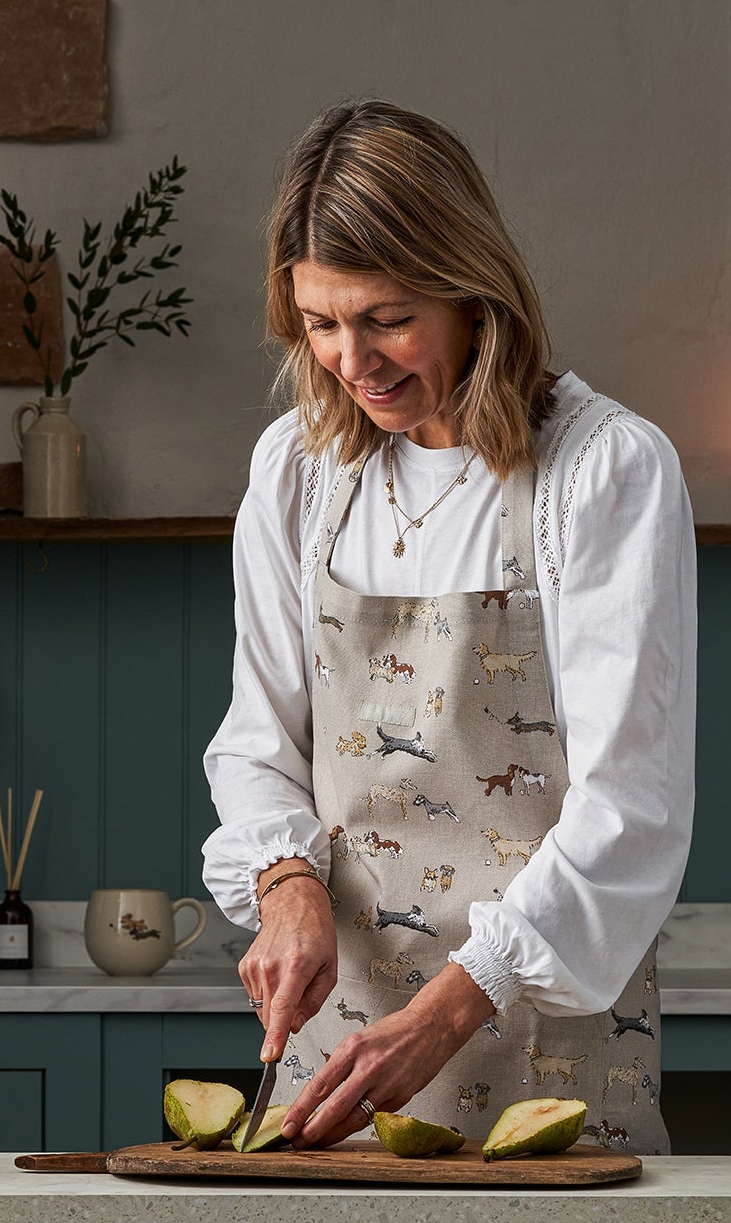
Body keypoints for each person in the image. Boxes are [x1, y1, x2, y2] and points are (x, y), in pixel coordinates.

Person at [202, 99, 695, 1154]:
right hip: (333, 1059)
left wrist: (455, 1002)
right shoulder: (297, 471)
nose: (352, 360)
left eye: (385, 318)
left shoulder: (602, 470)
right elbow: (258, 741)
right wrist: (285, 885)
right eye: (320, 324)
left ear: (476, 293)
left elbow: (634, 807)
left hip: (543, 1048)